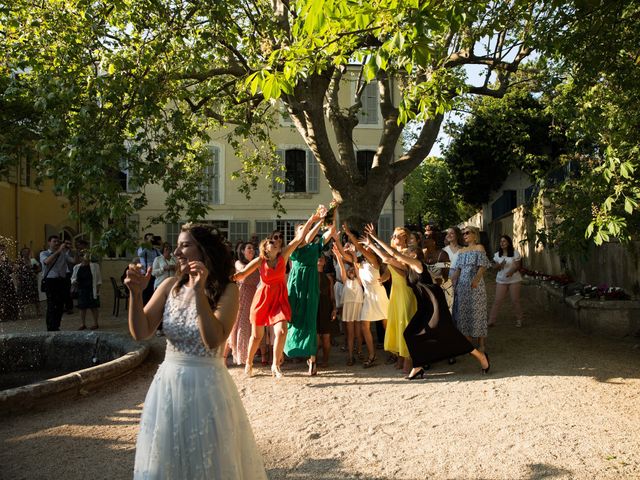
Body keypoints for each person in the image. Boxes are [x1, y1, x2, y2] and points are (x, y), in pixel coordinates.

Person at [125, 223, 267, 479]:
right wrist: (135, 294)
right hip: (168, 385)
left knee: (209, 461)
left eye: (185, 245)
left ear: (204, 251)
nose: (177, 252)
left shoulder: (228, 289)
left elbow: (213, 339)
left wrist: (199, 291)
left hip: (206, 387)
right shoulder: (169, 286)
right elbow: (141, 331)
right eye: (177, 245)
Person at [380, 241, 491, 380]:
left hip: (435, 302)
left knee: (448, 333)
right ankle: (418, 366)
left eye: (407, 253)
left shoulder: (417, 264)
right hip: (424, 305)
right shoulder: (408, 268)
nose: (403, 255)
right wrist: (370, 242)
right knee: (409, 333)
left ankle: (480, 356)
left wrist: (375, 238)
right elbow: (387, 258)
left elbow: (394, 253)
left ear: (414, 255)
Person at [234, 211, 322, 378]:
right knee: (256, 336)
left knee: (281, 331)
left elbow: (299, 238)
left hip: (279, 298)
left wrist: (312, 219)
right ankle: (249, 362)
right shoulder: (261, 260)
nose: (275, 243)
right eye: (271, 242)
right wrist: (230, 278)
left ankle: (275, 365)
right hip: (263, 299)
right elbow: (242, 273)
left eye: (276, 242)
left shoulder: (283, 255)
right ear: (265, 248)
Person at [284, 210, 336, 376]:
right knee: (294, 318)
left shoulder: (315, 247)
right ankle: (289, 352)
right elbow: (304, 238)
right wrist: (317, 221)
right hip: (297, 284)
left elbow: (331, 232)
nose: (305, 232)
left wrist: (331, 213)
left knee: (310, 319)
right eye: (302, 229)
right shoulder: (294, 246)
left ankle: (312, 360)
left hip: (311, 284)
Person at [364, 224, 417, 374]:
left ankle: (409, 358)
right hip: (395, 292)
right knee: (396, 323)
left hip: (406, 292)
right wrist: (382, 278)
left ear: (405, 238)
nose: (393, 238)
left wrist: (373, 242)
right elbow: (389, 271)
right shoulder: (394, 255)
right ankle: (400, 356)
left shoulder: (409, 253)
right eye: (393, 236)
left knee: (405, 323)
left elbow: (405, 273)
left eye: (396, 235)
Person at [342, 224, 389, 368]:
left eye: (368, 245)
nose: (366, 247)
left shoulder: (374, 259)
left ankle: (394, 351)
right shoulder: (359, 262)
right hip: (368, 296)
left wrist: (350, 235)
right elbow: (347, 256)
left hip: (379, 294)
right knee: (364, 325)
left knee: (386, 325)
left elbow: (361, 248)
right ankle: (372, 354)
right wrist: (338, 242)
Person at [450, 225, 491, 353]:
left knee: (478, 312)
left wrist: (476, 279)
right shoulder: (462, 251)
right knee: (464, 313)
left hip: (475, 285)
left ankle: (481, 343)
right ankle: (467, 342)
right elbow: (458, 269)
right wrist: (451, 281)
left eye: (467, 232)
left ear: (474, 234)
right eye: (463, 233)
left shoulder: (479, 248)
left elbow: (483, 265)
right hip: (462, 286)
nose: (465, 235)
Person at [225, 242, 259, 366]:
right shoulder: (238, 263)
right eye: (248, 248)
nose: (251, 250)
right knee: (238, 327)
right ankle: (226, 357)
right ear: (243, 251)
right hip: (242, 296)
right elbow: (245, 272)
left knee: (249, 327)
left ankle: (247, 357)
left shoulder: (257, 263)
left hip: (254, 296)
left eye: (253, 248)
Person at [332, 243, 363, 366]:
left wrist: (354, 254)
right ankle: (350, 355)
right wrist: (338, 255)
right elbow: (341, 265)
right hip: (348, 309)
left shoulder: (359, 281)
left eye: (353, 270)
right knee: (350, 334)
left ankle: (360, 352)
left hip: (358, 307)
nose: (351, 271)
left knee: (358, 332)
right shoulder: (345, 281)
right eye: (349, 270)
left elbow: (356, 265)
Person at [40, 235, 75, 331]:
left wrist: (74, 251)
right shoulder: (44, 253)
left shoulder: (63, 253)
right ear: (49, 242)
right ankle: (50, 327)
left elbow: (73, 261)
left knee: (60, 305)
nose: (56, 243)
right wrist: (58, 251)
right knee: (52, 304)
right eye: (54, 241)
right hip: (50, 281)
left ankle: (56, 326)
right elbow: (47, 262)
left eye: (58, 242)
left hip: (61, 281)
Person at [489, 235, 524, 327]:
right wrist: (500, 265)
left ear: (508, 242)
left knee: (515, 300)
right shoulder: (497, 255)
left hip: (514, 280)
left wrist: (511, 272)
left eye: (504, 241)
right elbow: (493, 267)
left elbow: (517, 266)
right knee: (497, 301)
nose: (502, 243)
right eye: (501, 241)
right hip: (501, 280)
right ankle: (491, 321)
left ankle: (519, 319)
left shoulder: (515, 253)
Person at [315, 254, 336, 370]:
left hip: (326, 307)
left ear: (325, 262)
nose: (320, 258)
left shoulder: (329, 278)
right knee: (316, 339)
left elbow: (332, 295)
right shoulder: (311, 276)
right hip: (315, 307)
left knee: (326, 338)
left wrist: (334, 308)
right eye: (318, 257)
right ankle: (314, 360)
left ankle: (325, 360)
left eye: (322, 257)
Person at [71, 252, 102, 330]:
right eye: (81, 256)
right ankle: (83, 324)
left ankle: (95, 323)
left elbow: (98, 279)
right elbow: (73, 278)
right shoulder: (77, 267)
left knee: (93, 307)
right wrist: (74, 281)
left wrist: (98, 289)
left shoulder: (95, 266)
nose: (84, 257)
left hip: (91, 289)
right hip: (81, 289)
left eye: (85, 256)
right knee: (82, 308)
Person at [16, 247, 41, 318]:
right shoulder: (19, 261)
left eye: (27, 252)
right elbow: (17, 271)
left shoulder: (33, 261)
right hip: (22, 281)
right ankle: (21, 312)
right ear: (22, 253)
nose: (26, 253)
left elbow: (39, 269)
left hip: (32, 281)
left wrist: (34, 271)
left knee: (35, 296)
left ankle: (38, 311)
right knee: (21, 297)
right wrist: (18, 280)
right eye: (24, 252)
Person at [137, 233, 161, 305]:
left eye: (152, 238)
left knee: (152, 292)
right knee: (145, 293)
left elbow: (162, 257)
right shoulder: (142, 248)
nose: (151, 240)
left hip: (154, 274)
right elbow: (140, 255)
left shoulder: (156, 250)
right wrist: (147, 246)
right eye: (148, 239)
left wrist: (160, 243)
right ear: (145, 240)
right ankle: (143, 309)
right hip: (145, 274)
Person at [0, 243, 18, 323]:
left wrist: (14, 267)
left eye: (3, 249)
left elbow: (10, 270)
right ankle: (2, 315)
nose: (3, 251)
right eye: (1, 249)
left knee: (10, 298)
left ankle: (10, 315)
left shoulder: (6, 259)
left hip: (7, 281)